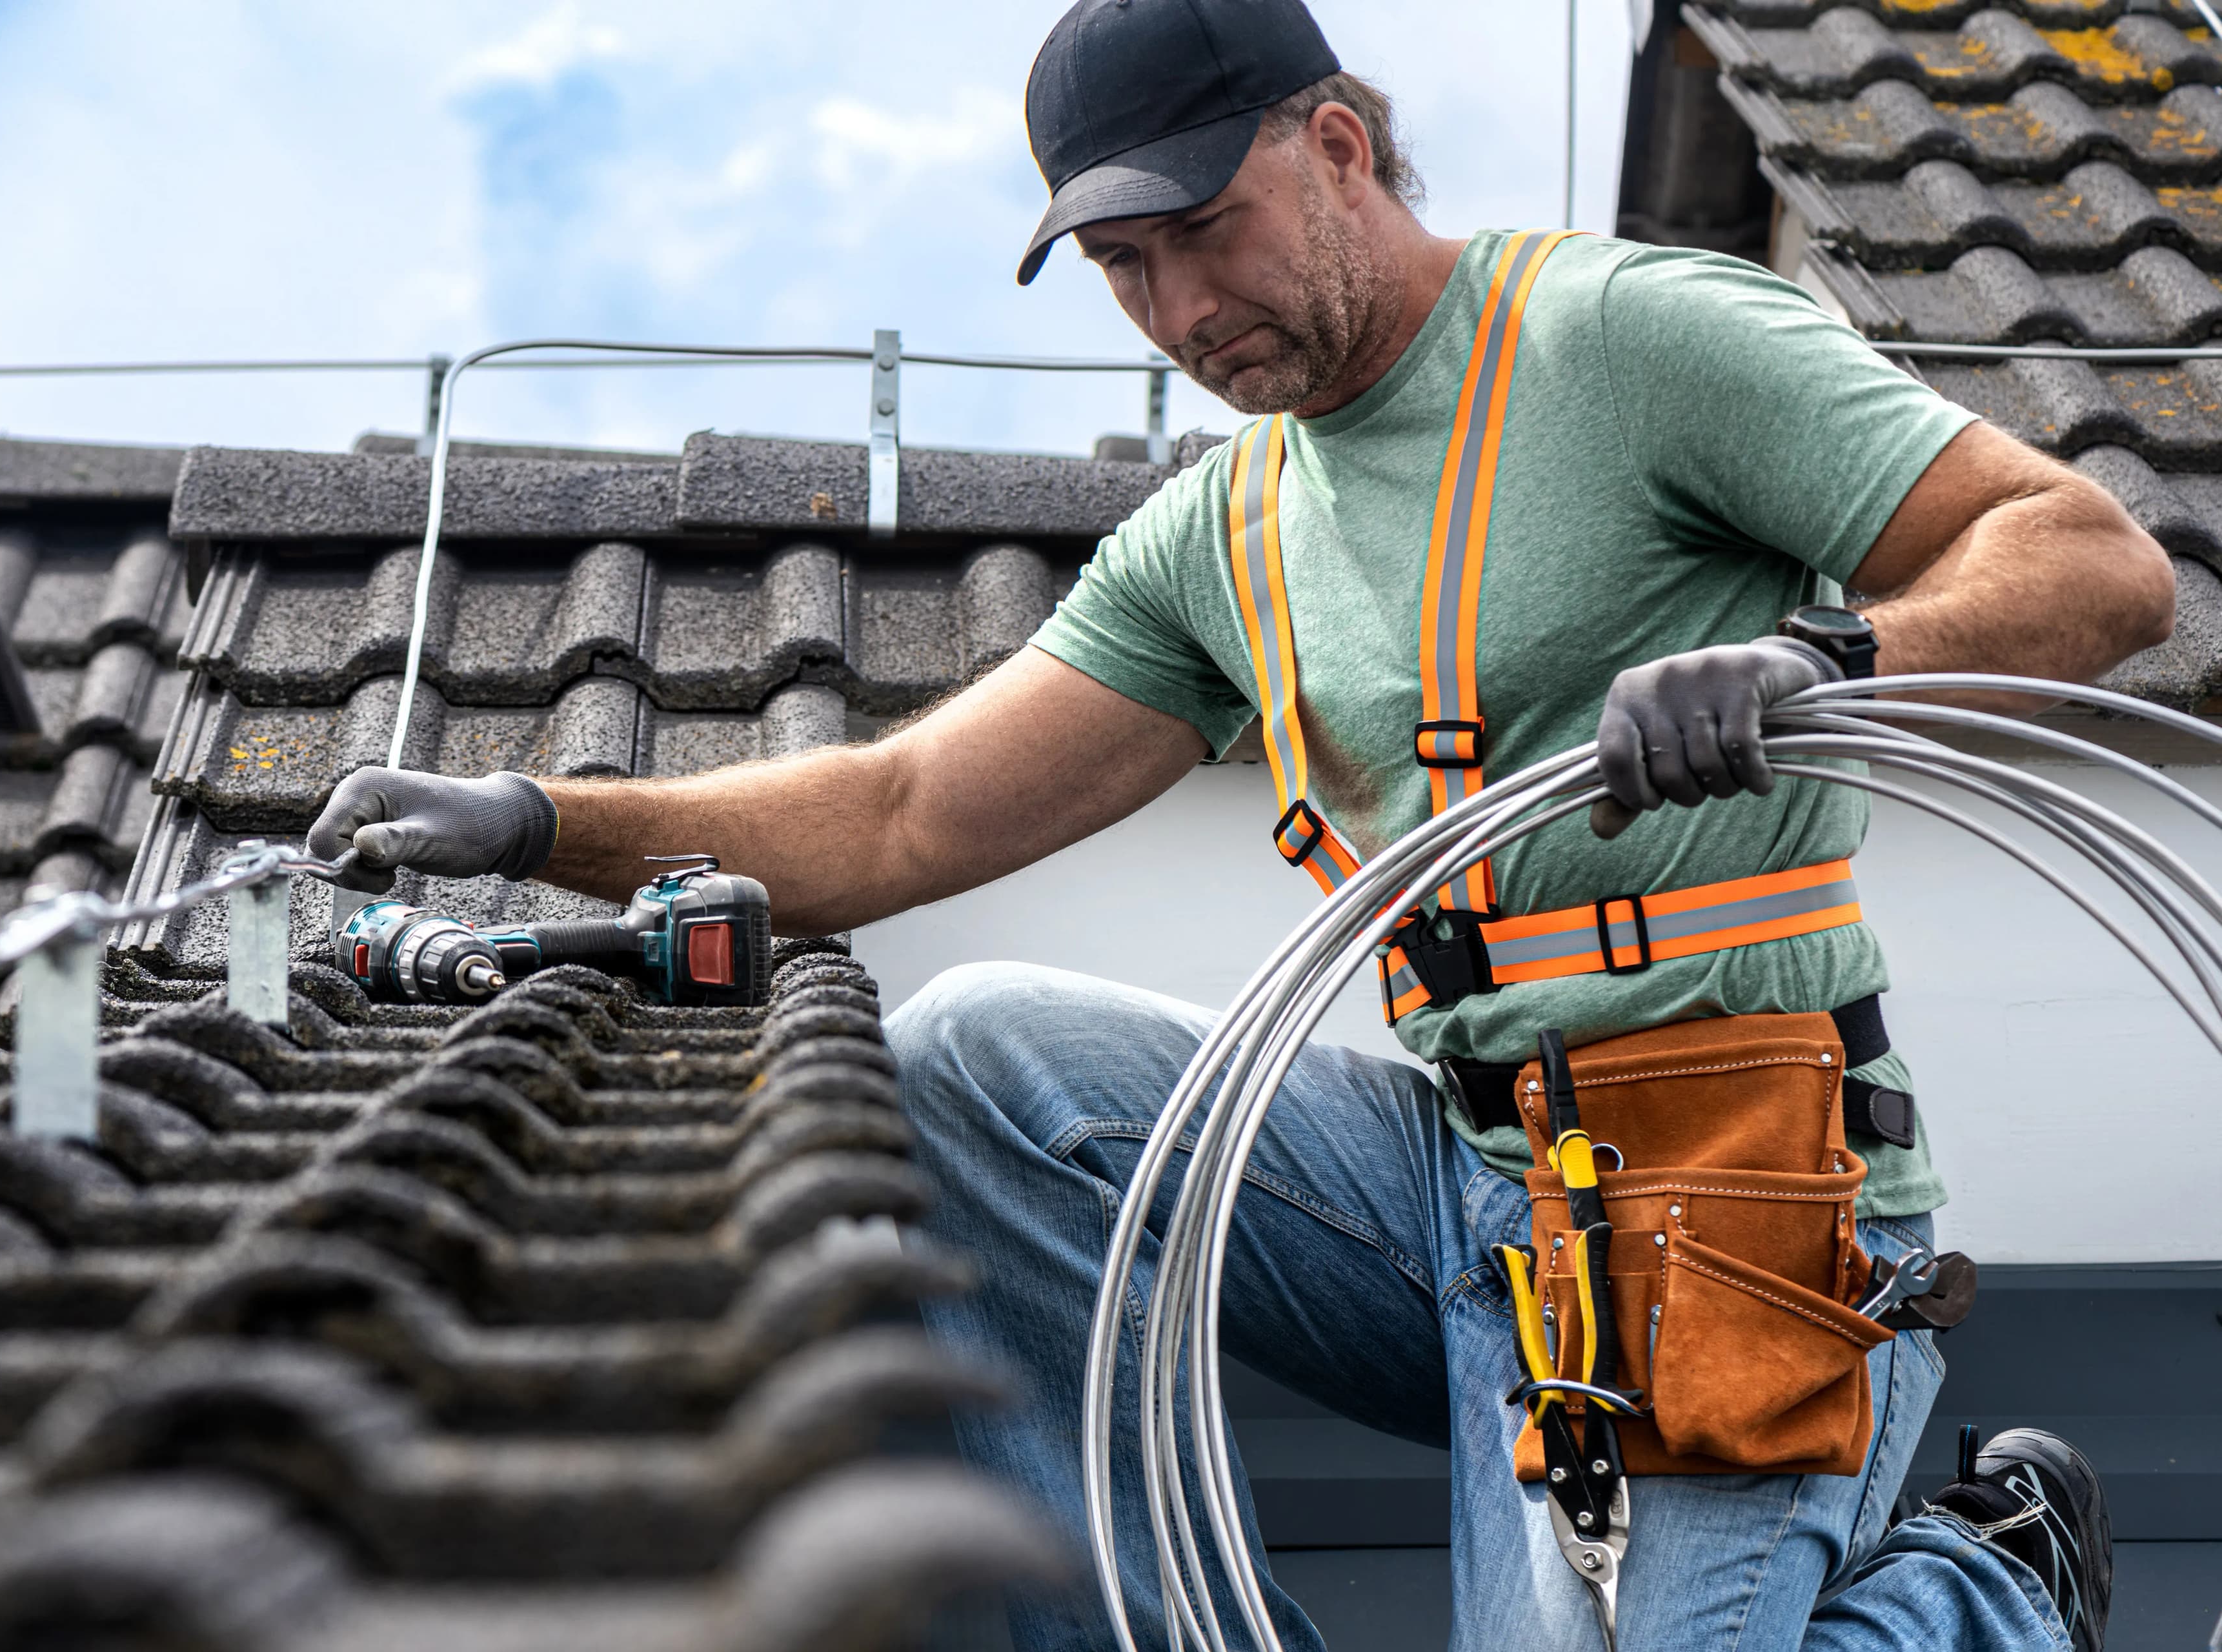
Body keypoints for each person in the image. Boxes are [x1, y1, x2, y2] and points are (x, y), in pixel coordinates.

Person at [305, 1, 2170, 1646]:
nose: (1183, 309)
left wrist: (1817, 658)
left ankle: (1994, 1575)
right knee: (967, 1060)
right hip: (1459, 1186)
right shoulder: (1220, 533)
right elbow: (899, 808)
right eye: (1126, 267)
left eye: (1207, 230)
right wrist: (546, 813)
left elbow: (2093, 562)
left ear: (1339, 145)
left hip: (1730, 1180)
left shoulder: (1631, 340)